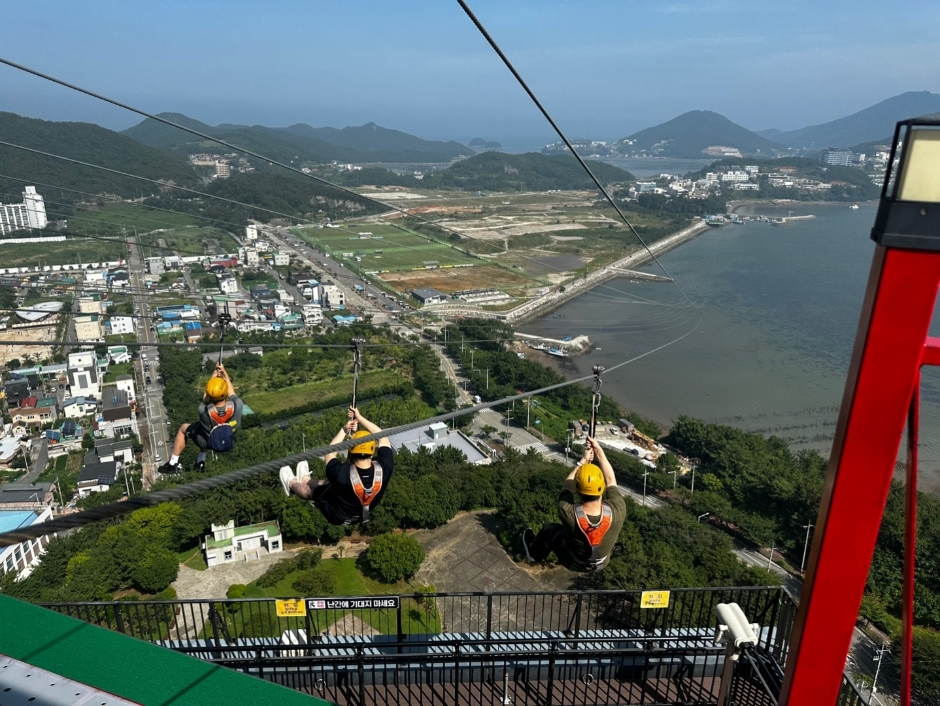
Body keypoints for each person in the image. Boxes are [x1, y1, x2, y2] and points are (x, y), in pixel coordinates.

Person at [522, 436, 626, 571]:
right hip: (601, 563)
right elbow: (611, 480)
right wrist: (598, 449)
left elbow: (567, 486)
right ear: (602, 488)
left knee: (550, 529)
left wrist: (582, 461)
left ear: (577, 490)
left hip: (572, 561)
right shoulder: (618, 509)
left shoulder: (568, 513)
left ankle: (534, 554)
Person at [280, 406, 394, 526]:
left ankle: (291, 484)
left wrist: (345, 429)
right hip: (359, 510)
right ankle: (305, 479)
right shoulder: (384, 468)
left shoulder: (342, 474)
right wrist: (359, 419)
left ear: (350, 450)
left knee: (312, 491)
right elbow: (383, 437)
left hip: (338, 514)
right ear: (371, 452)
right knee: (328, 484)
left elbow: (330, 452)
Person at [158, 362, 243, 474]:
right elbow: (231, 391)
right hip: (227, 440)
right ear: (225, 392)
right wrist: (224, 372)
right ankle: (200, 462)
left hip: (208, 442)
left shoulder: (204, 411)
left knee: (184, 428)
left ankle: (173, 463)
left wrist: (213, 377)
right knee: (203, 429)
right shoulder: (237, 405)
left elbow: (206, 398)